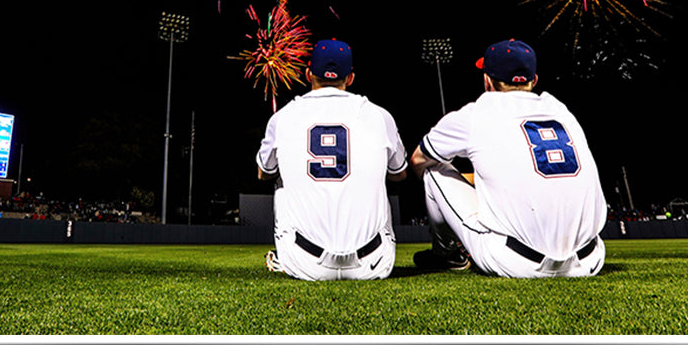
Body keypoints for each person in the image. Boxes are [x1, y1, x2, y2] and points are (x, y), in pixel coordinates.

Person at [409, 39, 608, 278]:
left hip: (515, 262)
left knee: (433, 170)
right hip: (591, 260)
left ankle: (447, 254)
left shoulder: (477, 113)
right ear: (534, 81)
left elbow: (418, 160)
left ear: (487, 80)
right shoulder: (561, 111)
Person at [255, 39, 408, 280]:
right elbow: (399, 174)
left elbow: (263, 173)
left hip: (305, 263)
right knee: (380, 182)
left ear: (308, 74)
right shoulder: (380, 115)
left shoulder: (283, 117)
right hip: (374, 263)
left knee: (280, 184)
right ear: (351, 78)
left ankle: (287, 258)